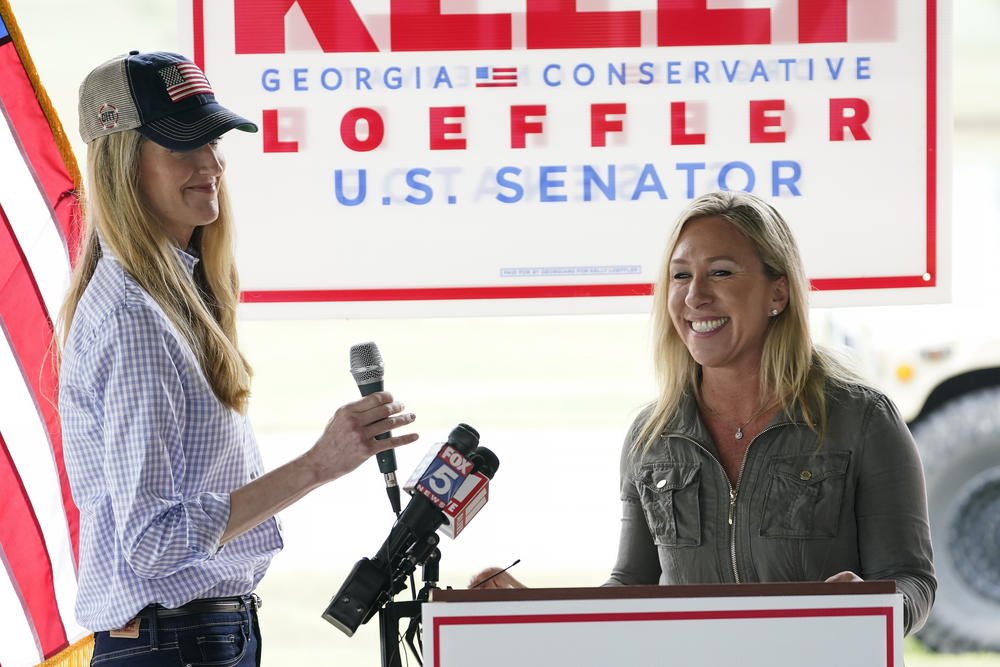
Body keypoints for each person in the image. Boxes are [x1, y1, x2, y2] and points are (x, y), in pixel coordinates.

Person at [58, 51, 418, 666]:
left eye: (213, 142)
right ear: (123, 169)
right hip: (176, 645)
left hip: (191, 641)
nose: (213, 165)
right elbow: (152, 542)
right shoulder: (135, 321)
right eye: (182, 148)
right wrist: (317, 465)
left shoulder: (170, 297)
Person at [472, 190, 935, 635]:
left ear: (778, 293)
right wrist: (528, 612)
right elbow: (631, 590)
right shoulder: (651, 436)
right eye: (679, 276)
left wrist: (875, 607)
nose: (695, 296)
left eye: (721, 273)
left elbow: (913, 580)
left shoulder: (863, 420)